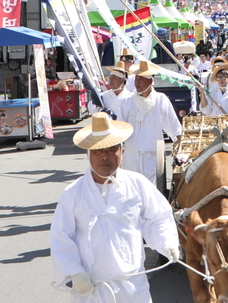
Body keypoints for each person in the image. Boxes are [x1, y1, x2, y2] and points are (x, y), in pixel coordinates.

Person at [50, 112, 180, 303]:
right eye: (98, 151)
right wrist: (74, 272)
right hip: (91, 288)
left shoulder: (138, 184)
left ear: (122, 151)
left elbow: (158, 217)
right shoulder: (73, 193)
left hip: (133, 287)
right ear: (87, 154)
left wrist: (167, 242)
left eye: (112, 150)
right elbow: (61, 236)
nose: (105, 156)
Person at [118, 61, 182, 184]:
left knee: (150, 192)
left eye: (141, 79)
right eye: (136, 78)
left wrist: (181, 146)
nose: (137, 82)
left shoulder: (161, 100)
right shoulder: (127, 101)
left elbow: (173, 126)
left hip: (152, 157)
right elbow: (120, 128)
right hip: (132, 155)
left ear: (151, 81)